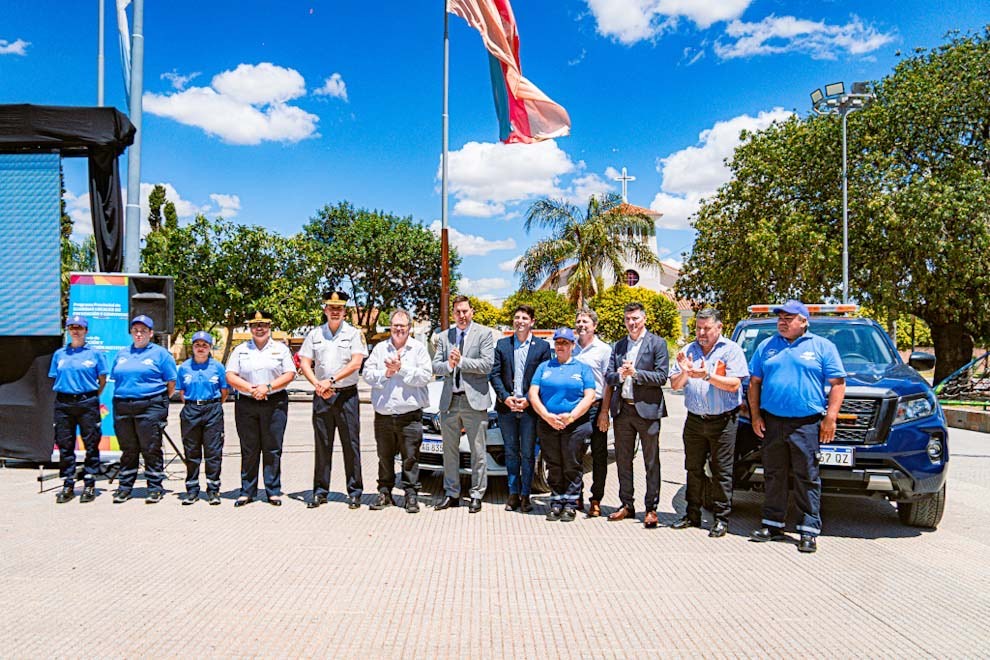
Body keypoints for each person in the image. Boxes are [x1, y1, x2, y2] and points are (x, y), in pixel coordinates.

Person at [748, 300, 846, 554]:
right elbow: (754, 382)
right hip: (772, 421)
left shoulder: (822, 347)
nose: (782, 322)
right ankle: (773, 524)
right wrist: (756, 415)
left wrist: (830, 418)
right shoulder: (766, 346)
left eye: (789, 318)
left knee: (807, 477)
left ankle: (808, 530)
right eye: (780, 317)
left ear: (804, 321)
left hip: (806, 423)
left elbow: (837, 383)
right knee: (774, 474)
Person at [668, 308, 749, 537]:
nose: (701, 333)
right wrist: (685, 372)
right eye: (698, 328)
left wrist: (706, 376)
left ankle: (721, 519)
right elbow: (675, 384)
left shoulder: (731, 350)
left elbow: (734, 385)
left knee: (721, 471)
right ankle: (691, 514)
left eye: (707, 328)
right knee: (693, 468)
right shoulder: (688, 350)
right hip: (694, 420)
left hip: (723, 421)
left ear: (719, 328)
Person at [299, 291, 368, 510]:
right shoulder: (314, 334)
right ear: (325, 310)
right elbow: (304, 363)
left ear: (345, 311)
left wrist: (329, 380)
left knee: (351, 445)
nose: (335, 311)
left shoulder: (354, 334)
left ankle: (355, 492)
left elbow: (356, 363)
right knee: (322, 445)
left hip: (346, 395)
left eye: (339, 308)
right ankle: (320, 491)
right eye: (331, 308)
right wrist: (318, 385)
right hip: (322, 395)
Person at [605, 302, 669, 528]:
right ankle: (626, 504)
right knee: (623, 460)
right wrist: (621, 376)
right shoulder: (619, 346)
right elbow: (609, 377)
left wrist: (637, 374)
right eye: (628, 319)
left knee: (651, 461)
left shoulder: (657, 343)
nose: (631, 323)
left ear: (644, 319)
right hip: (623, 410)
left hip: (648, 410)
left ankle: (651, 508)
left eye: (635, 319)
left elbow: (662, 377)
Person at [362, 309, 432, 513]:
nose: (399, 329)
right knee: (384, 457)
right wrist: (387, 372)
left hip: (410, 416)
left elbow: (425, 376)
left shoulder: (418, 349)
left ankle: (411, 495)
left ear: (409, 328)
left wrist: (401, 369)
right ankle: (384, 492)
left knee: (410, 458)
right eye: (395, 326)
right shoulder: (380, 349)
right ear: (390, 328)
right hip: (384, 415)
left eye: (403, 326)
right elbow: (367, 373)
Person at [225, 311, 296, 507]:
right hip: (247, 402)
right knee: (249, 448)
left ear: (269, 326)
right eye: (255, 325)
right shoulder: (240, 350)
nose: (259, 328)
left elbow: (290, 373)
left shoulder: (280, 349)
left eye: (263, 324)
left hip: (274, 402)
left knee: (273, 447)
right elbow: (230, 375)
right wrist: (250, 389)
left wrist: (268, 387)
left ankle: (273, 491)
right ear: (249, 328)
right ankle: (247, 491)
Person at [432, 295, 494, 513]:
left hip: (474, 400)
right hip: (450, 400)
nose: (461, 316)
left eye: (465, 311)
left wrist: (461, 362)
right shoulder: (444, 336)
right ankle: (452, 493)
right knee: (449, 451)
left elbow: (487, 365)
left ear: (472, 311)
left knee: (478, 451)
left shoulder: (484, 334)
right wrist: (448, 365)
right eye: (457, 312)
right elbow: (435, 366)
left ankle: (476, 494)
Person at [529, 327, 596, 522]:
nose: (561, 346)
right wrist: (547, 416)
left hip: (575, 424)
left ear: (572, 346)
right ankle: (556, 501)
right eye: (558, 342)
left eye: (565, 343)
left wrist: (572, 417)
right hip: (548, 423)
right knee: (554, 464)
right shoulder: (544, 367)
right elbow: (533, 393)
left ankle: (571, 504)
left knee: (572, 464)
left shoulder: (582, 368)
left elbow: (590, 395)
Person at [489, 304, 551, 513]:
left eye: (524, 318)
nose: (520, 321)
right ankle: (512, 493)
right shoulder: (502, 345)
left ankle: (526, 495)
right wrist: (505, 398)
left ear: (532, 322)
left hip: (529, 409)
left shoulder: (541, 347)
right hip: (506, 408)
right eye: (517, 317)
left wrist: (528, 400)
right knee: (511, 452)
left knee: (527, 453)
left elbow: (543, 377)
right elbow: (494, 374)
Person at [110, 315, 177, 504]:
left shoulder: (160, 354)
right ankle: (125, 488)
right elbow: (116, 378)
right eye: (135, 330)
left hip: (150, 405)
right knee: (128, 449)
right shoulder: (122, 354)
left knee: (150, 447)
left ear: (151, 333)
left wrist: (158, 402)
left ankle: (155, 488)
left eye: (143, 330)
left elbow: (171, 383)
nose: (139, 334)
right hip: (123, 405)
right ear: (131, 333)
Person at [49, 315, 109, 504]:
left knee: (91, 443)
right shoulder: (59, 354)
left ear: (86, 331)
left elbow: (102, 380)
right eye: (72, 327)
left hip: (87, 402)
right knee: (65, 444)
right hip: (64, 403)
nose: (76, 331)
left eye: (80, 328)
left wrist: (90, 396)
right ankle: (68, 483)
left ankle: (90, 481)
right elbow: (54, 377)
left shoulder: (95, 354)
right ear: (67, 330)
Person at [176, 331, 229, 506]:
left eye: (204, 345)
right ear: (193, 347)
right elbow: (182, 392)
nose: (201, 348)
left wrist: (210, 404)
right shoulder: (184, 368)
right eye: (197, 345)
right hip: (191, 409)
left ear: (209, 347)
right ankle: (192, 490)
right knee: (191, 452)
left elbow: (224, 392)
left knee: (213, 452)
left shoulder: (218, 367)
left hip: (212, 409)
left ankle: (213, 490)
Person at [573, 307, 614, 517]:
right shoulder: (571, 349)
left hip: (597, 407)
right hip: (576, 408)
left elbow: (609, 383)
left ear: (594, 326)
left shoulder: (604, 350)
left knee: (598, 456)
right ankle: (576, 494)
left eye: (585, 322)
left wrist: (604, 411)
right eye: (578, 321)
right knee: (575, 453)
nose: (581, 325)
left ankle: (596, 498)